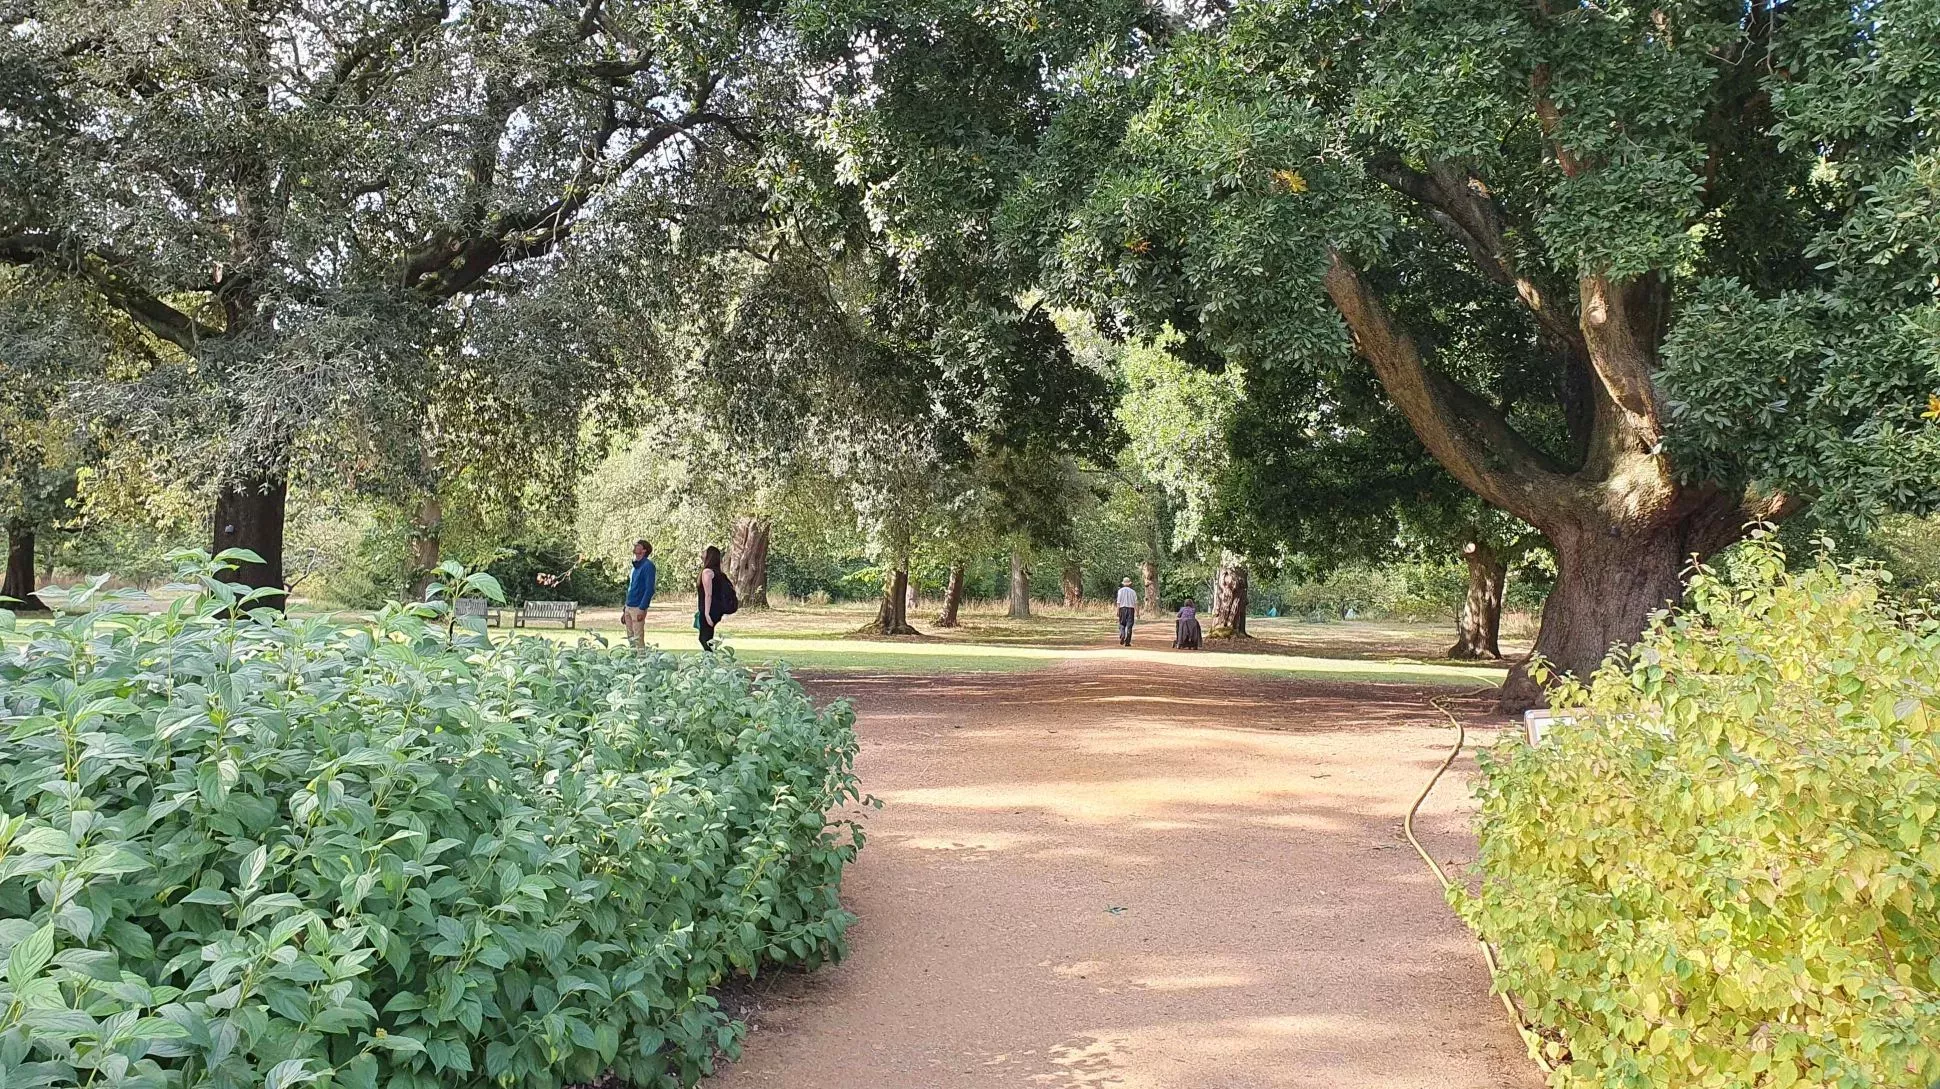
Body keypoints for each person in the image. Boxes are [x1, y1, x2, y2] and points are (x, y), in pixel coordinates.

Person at [696, 544, 738, 651]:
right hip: (715, 610)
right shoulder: (718, 573)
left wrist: (706, 613)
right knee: (707, 638)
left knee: (704, 638)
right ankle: (709, 659)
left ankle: (710, 660)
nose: (703, 553)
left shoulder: (707, 572)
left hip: (709, 609)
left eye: (705, 551)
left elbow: (708, 594)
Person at [624, 539, 656, 648]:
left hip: (638, 607)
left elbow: (649, 589)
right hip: (629, 605)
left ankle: (641, 661)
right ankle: (631, 662)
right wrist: (625, 608)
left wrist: (642, 608)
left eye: (638, 545)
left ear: (644, 550)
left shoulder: (648, 566)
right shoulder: (635, 567)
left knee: (638, 639)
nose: (635, 546)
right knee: (630, 638)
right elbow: (631, 587)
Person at [1115, 576, 1138, 646]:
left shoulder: (1120, 591)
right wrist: (1138, 612)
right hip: (1131, 609)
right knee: (1129, 625)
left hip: (1122, 609)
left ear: (1123, 583)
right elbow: (1136, 603)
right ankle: (1127, 641)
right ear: (1129, 583)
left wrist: (1117, 611)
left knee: (1122, 624)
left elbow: (1118, 602)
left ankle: (1122, 635)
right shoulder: (1133, 592)